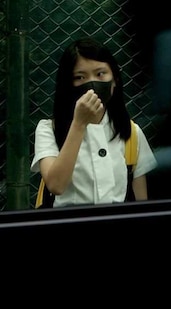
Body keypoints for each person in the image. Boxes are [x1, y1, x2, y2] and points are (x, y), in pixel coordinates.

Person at [31, 37, 157, 206]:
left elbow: (141, 202)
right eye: (80, 77)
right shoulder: (48, 129)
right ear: (68, 84)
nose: (92, 83)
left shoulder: (131, 132)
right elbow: (56, 185)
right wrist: (79, 124)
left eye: (100, 74)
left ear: (115, 80)